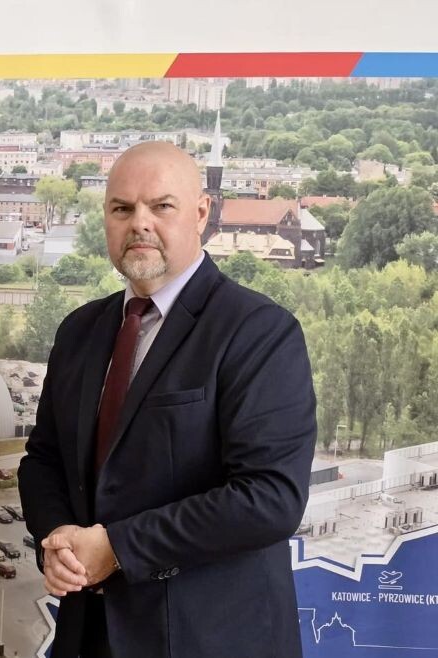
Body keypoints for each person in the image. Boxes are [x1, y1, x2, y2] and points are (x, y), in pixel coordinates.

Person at [18, 141, 316, 658]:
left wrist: (117, 548)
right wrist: (59, 536)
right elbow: (44, 459)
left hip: (209, 639)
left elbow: (270, 497)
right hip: (87, 633)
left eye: (161, 206)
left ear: (201, 213)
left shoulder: (259, 331)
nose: (140, 223)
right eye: (122, 208)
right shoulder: (80, 330)